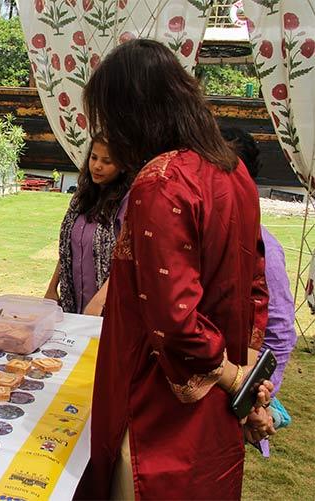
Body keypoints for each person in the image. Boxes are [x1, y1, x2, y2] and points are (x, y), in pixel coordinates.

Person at [81, 40, 274, 499]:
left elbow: (174, 319)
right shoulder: (233, 172)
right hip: (217, 403)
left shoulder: (162, 179)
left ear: (134, 112)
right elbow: (255, 290)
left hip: (159, 410)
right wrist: (243, 380)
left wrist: (231, 377)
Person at [221, 127, 297, 453]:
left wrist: (254, 400)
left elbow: (279, 334)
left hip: (237, 394)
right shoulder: (204, 234)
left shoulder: (265, 246)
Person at [45, 137, 131, 314]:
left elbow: (126, 260)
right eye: (93, 158)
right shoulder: (81, 197)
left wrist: (100, 301)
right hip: (73, 301)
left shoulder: (126, 202)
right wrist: (52, 288)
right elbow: (68, 251)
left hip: (108, 307)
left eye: (107, 161)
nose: (97, 166)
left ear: (123, 166)